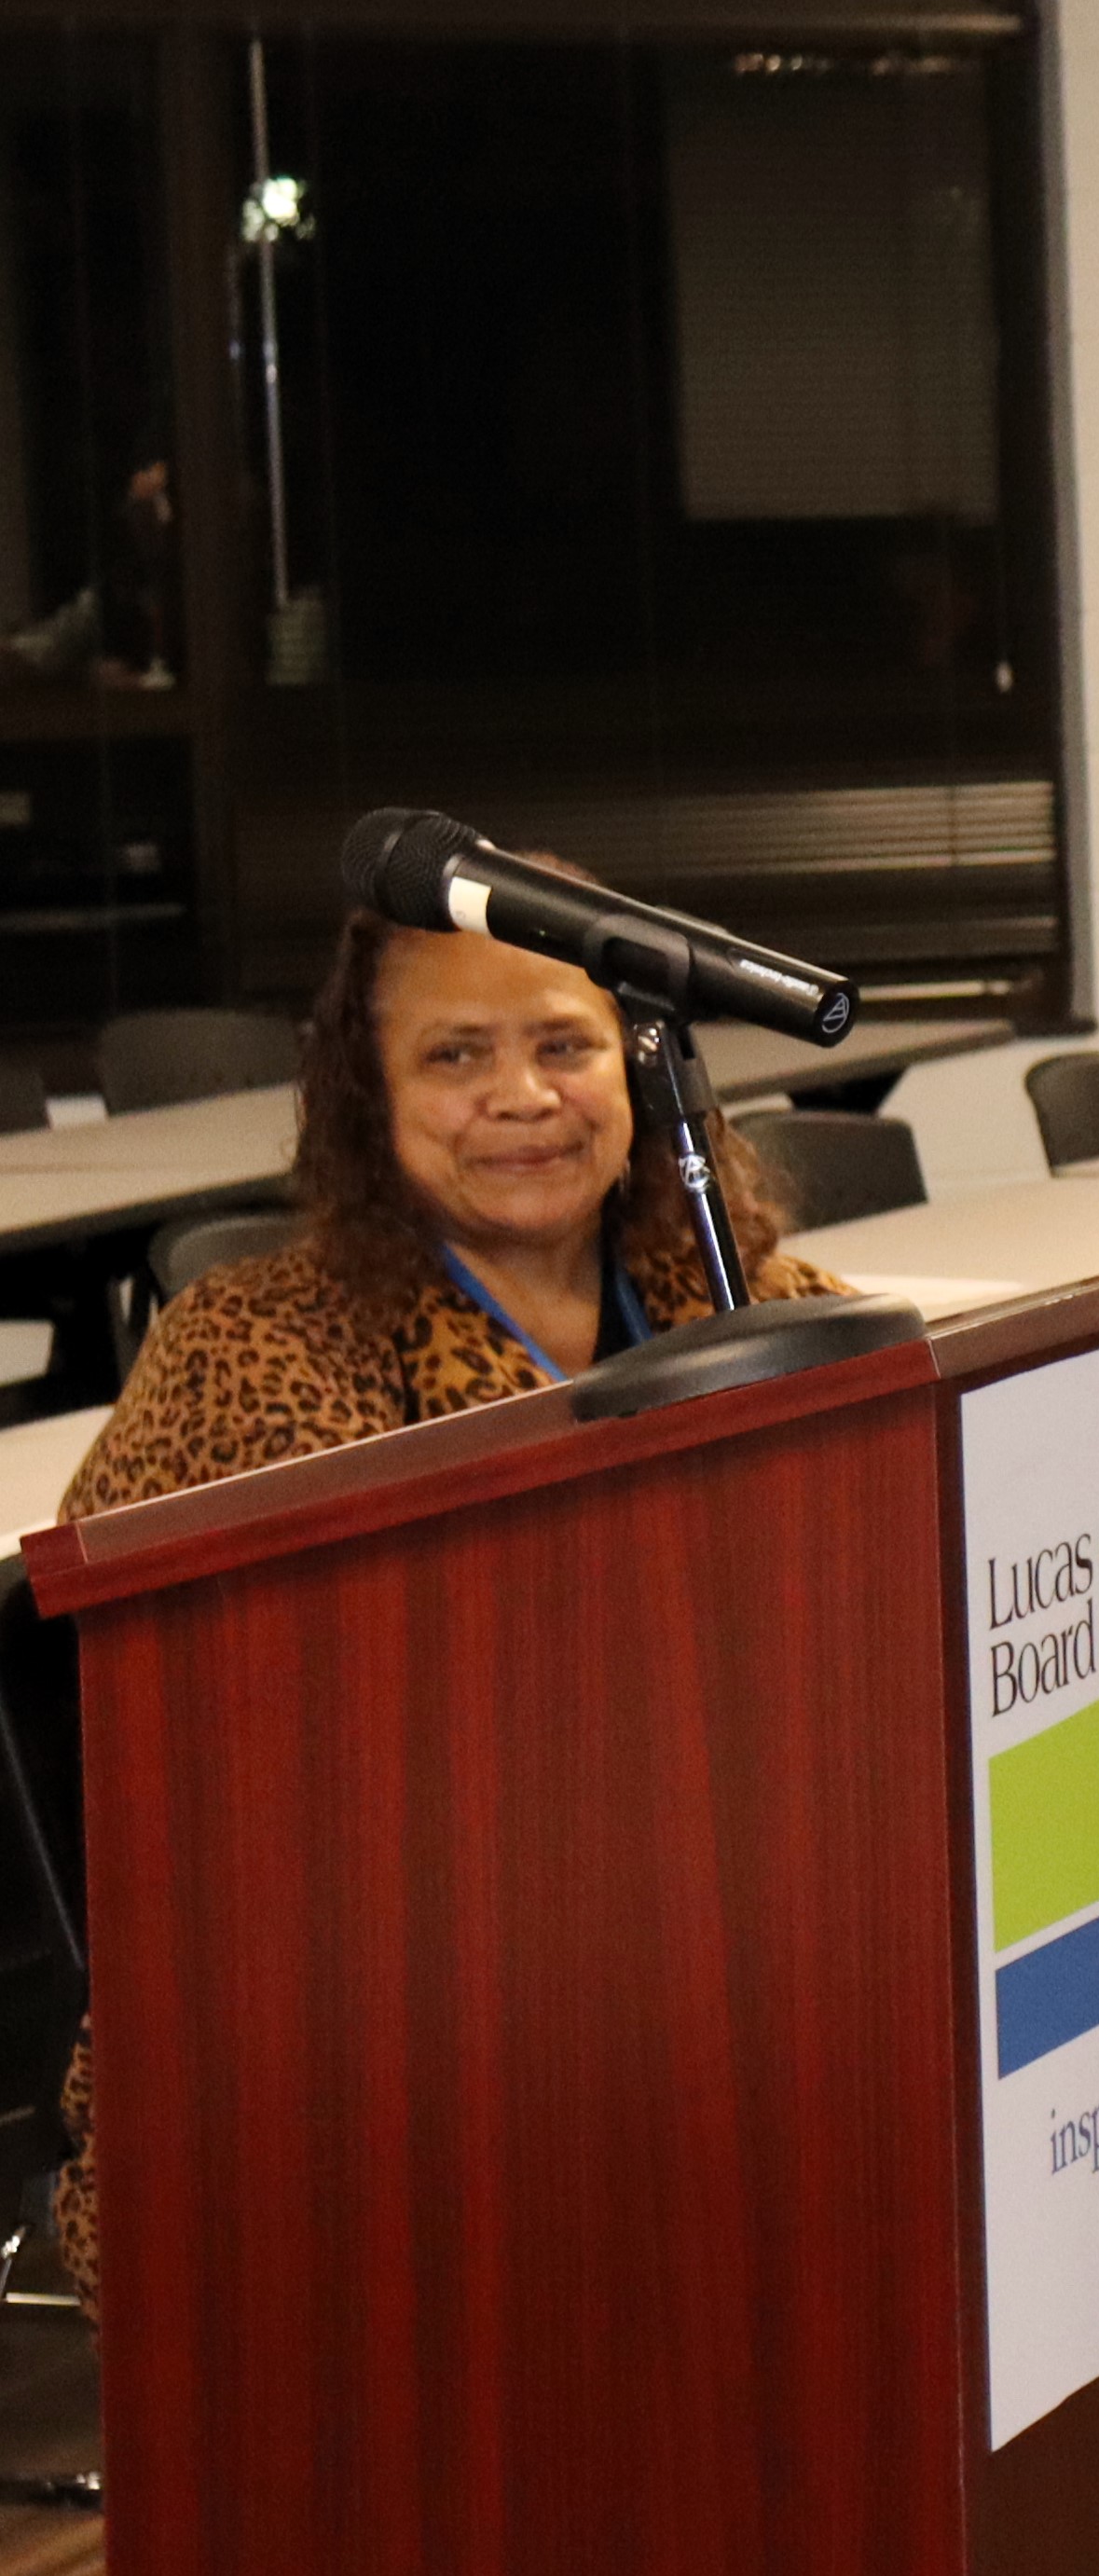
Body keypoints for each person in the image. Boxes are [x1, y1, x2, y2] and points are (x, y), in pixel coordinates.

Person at [51, 905, 853, 2314]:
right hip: (345, 2039)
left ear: (642, 1075)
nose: (522, 1097)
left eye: (564, 1045)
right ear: (373, 1101)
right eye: (455, 1055)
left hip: (715, 1979)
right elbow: (240, 1789)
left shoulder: (740, 1303)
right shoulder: (253, 1354)